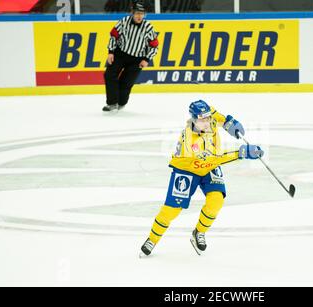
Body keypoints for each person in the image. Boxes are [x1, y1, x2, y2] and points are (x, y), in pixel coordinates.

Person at [139, 100, 264, 256]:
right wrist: (241, 153)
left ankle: (199, 232)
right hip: (187, 168)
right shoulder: (191, 141)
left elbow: (216, 115)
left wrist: (229, 123)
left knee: (216, 201)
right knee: (171, 210)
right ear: (193, 119)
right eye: (202, 120)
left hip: (209, 166)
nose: (206, 122)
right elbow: (215, 158)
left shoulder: (207, 116)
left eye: (207, 118)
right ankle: (152, 239)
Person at [103, 3, 159, 112]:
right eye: (137, 13)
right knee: (109, 74)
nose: (139, 16)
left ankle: (121, 103)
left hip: (137, 59)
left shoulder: (148, 27)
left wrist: (146, 59)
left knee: (126, 82)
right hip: (120, 54)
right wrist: (111, 52)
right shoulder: (124, 21)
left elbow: (154, 46)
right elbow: (113, 36)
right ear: (132, 13)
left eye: (142, 14)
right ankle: (112, 103)